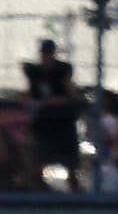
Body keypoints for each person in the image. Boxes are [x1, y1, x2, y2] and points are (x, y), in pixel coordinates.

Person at [22, 39, 80, 179]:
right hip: (43, 125)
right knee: (37, 165)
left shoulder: (62, 71)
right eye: (44, 54)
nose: (46, 57)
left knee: (70, 169)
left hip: (63, 124)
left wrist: (52, 101)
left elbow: (71, 96)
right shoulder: (35, 72)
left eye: (49, 54)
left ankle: (77, 199)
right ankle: (39, 195)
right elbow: (30, 94)